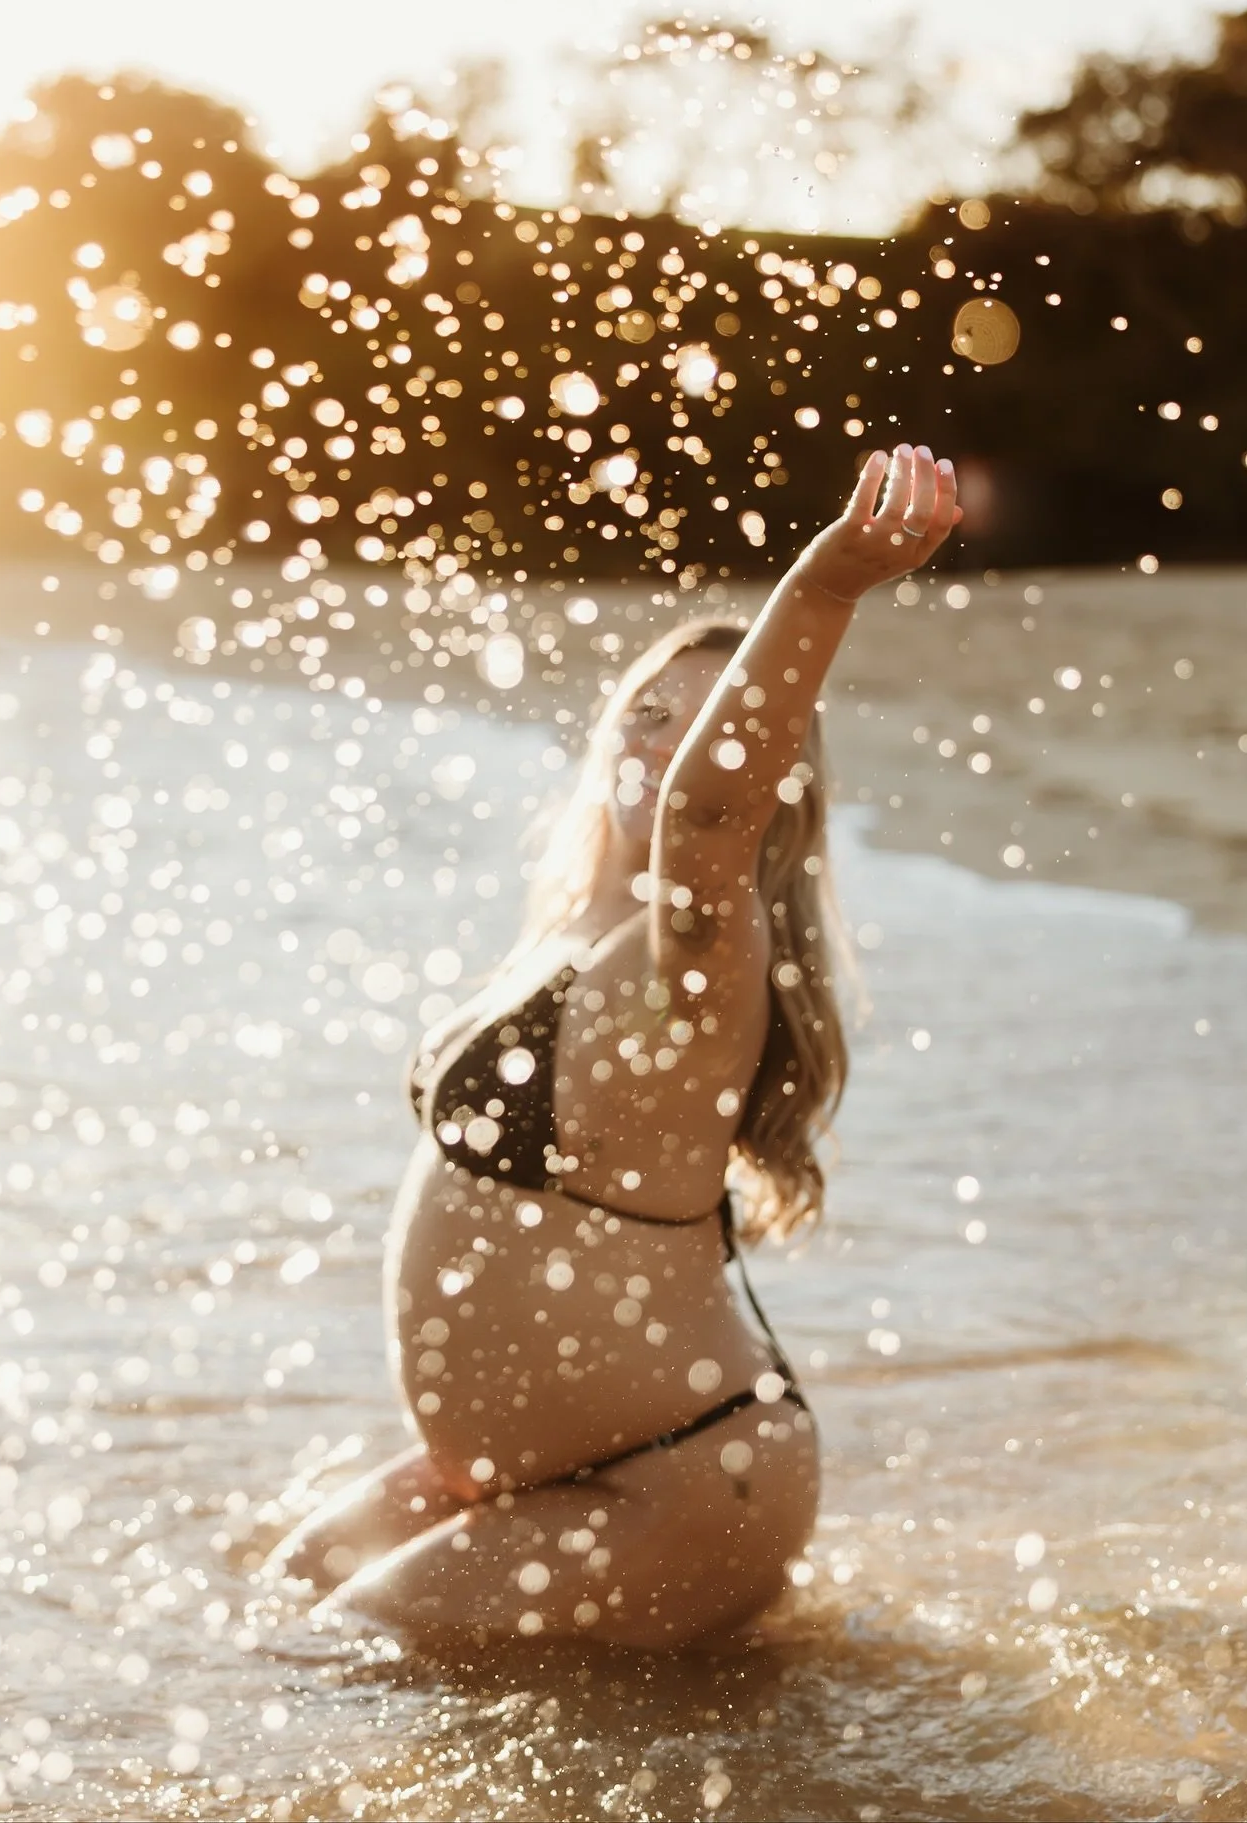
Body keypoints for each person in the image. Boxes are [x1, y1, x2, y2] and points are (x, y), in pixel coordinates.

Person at [268, 444, 961, 1649]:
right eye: (645, 715)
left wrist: (831, 581)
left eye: (707, 730)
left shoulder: (702, 952)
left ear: (770, 782)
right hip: (562, 1464)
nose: (667, 750)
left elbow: (706, 807)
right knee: (287, 1587)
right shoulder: (572, 930)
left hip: (678, 1474)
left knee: (330, 1652)